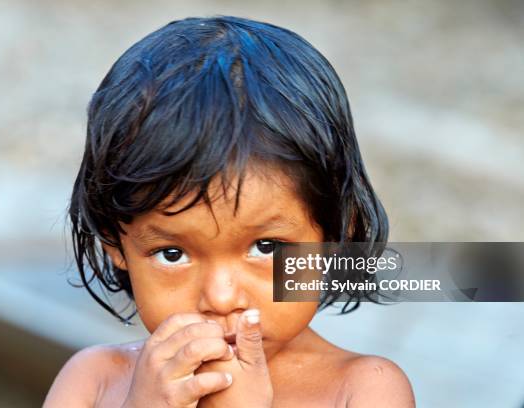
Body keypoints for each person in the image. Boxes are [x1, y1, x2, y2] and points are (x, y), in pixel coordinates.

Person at [44, 15, 415, 407]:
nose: (220, 299)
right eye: (173, 254)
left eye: (267, 247)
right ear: (113, 243)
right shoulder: (95, 380)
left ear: (335, 236)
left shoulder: (363, 390)